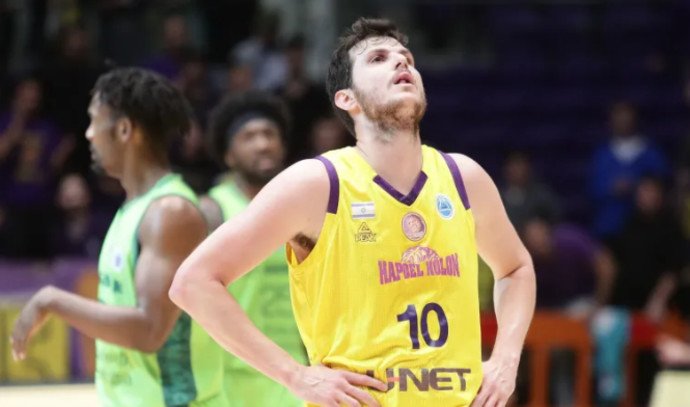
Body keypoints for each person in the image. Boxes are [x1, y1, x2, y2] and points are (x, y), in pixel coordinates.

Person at [170, 18, 536, 407]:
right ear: (347, 99)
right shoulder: (317, 184)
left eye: (407, 58)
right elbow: (193, 282)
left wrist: (506, 360)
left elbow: (516, 268)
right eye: (378, 58)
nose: (402, 62)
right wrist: (296, 375)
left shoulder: (464, 177)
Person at [11, 68, 227, 407]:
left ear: (125, 130)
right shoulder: (132, 209)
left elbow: (149, 331)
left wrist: (52, 300)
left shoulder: (169, 212)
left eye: (94, 121)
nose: (88, 134)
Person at [201, 91, 307, 406]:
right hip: (227, 379)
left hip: (294, 375)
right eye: (248, 137)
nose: (263, 144)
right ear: (229, 155)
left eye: (269, 134)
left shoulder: (302, 207)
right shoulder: (212, 209)